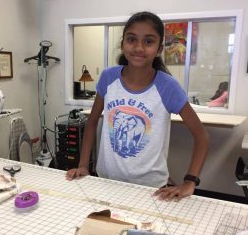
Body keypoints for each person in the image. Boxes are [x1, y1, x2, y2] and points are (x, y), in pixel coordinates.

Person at [66, 11, 209, 201]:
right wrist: (84, 164)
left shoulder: (167, 86)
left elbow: (202, 137)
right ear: (123, 43)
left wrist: (190, 182)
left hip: (150, 189)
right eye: (132, 39)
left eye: (148, 41)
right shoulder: (109, 78)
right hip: (106, 181)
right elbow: (91, 122)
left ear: (159, 49)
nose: (139, 47)